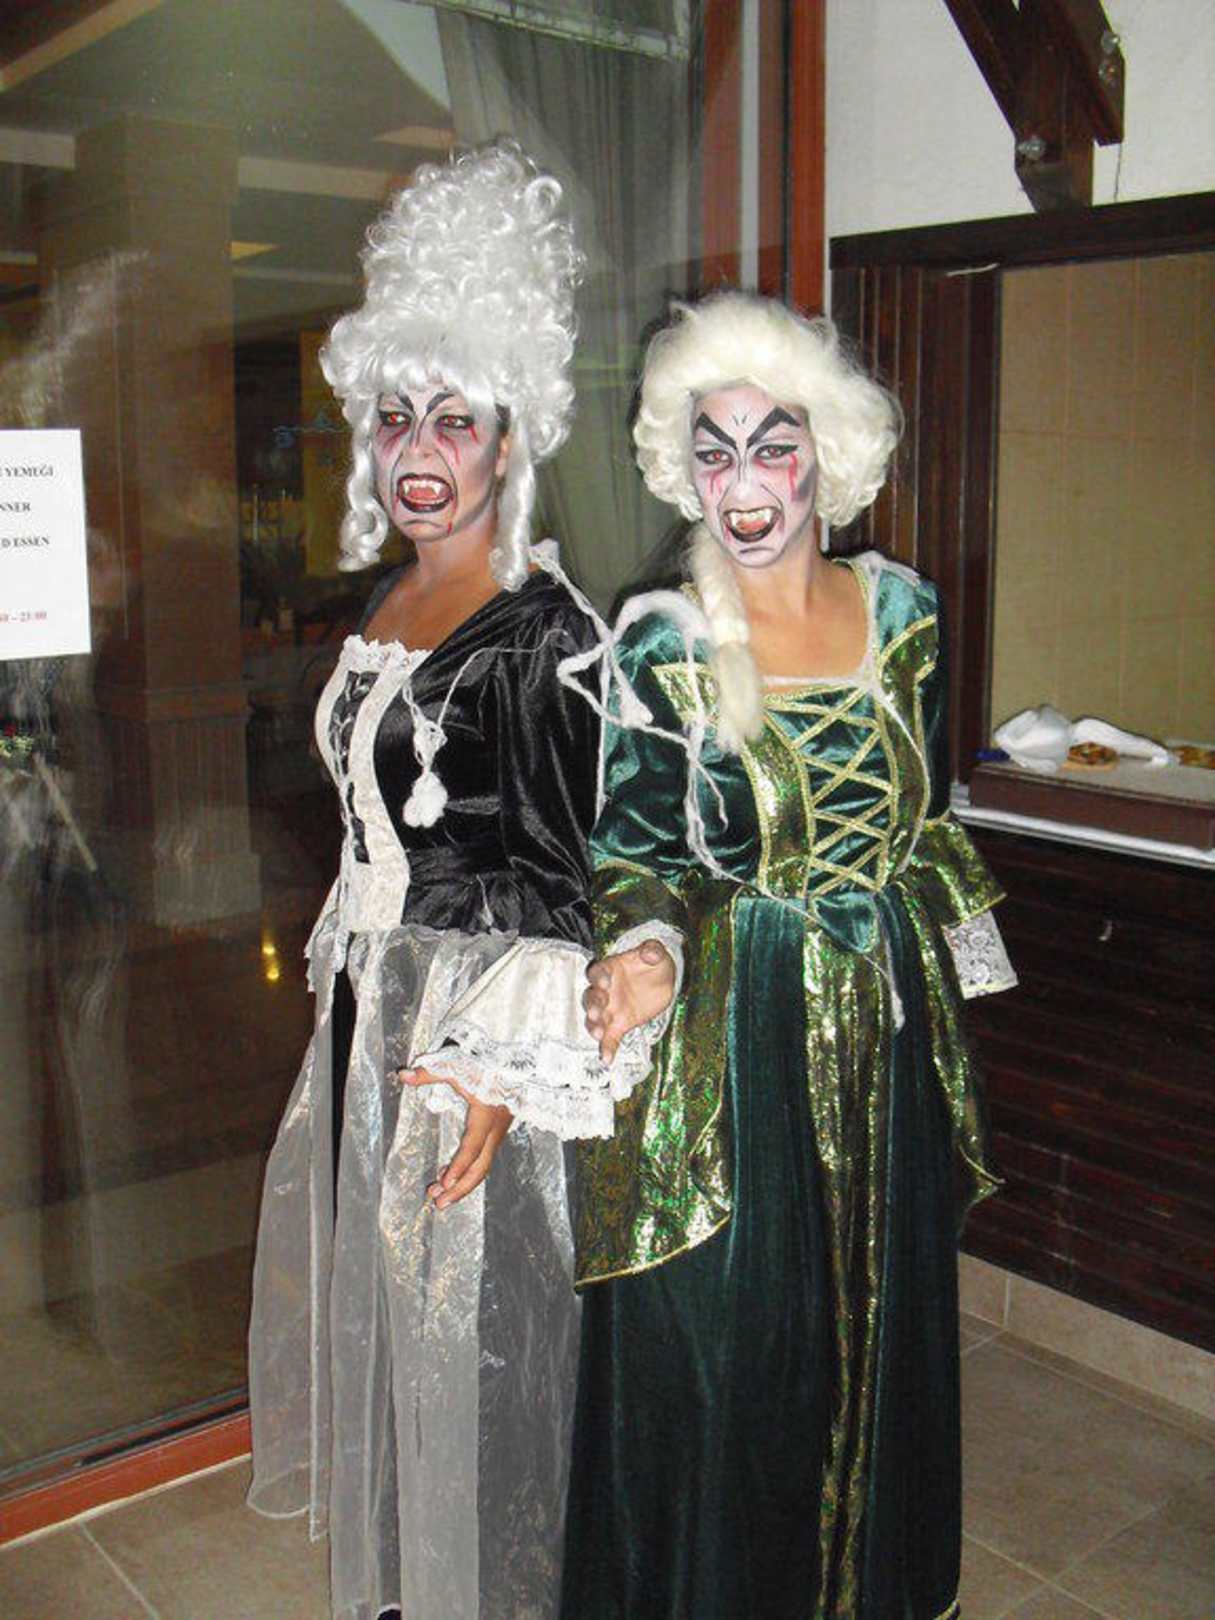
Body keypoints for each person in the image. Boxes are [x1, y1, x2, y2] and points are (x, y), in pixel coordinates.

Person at [561, 291, 1017, 1620]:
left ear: (829, 452)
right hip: (743, 1017)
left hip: (886, 1011)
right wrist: (644, 946)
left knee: (881, 1309)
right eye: (714, 452)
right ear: (682, 466)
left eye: (773, 445)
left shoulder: (906, 611)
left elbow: (925, 819)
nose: (744, 484)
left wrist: (961, 968)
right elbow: (631, 848)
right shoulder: (663, 638)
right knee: (735, 1335)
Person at [248, 140, 645, 1620]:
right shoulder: (397, 595)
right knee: (394, 1328)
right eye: (397, 414)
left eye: (455, 418)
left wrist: (499, 1076)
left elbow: (566, 877)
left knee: (475, 1340)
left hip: (469, 1030)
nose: (422, 448)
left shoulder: (542, 631)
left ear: (509, 437)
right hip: (367, 1014)